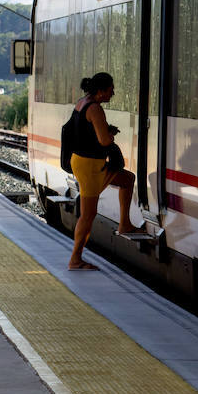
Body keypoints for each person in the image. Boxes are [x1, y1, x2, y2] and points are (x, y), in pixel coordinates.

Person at [68, 72, 143, 271]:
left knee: (127, 179)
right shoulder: (95, 109)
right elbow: (104, 140)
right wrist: (111, 134)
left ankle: (125, 223)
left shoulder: (82, 102)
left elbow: (84, 130)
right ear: (101, 91)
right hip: (90, 165)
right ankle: (75, 259)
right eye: (110, 90)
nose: (113, 93)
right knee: (88, 214)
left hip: (81, 161)